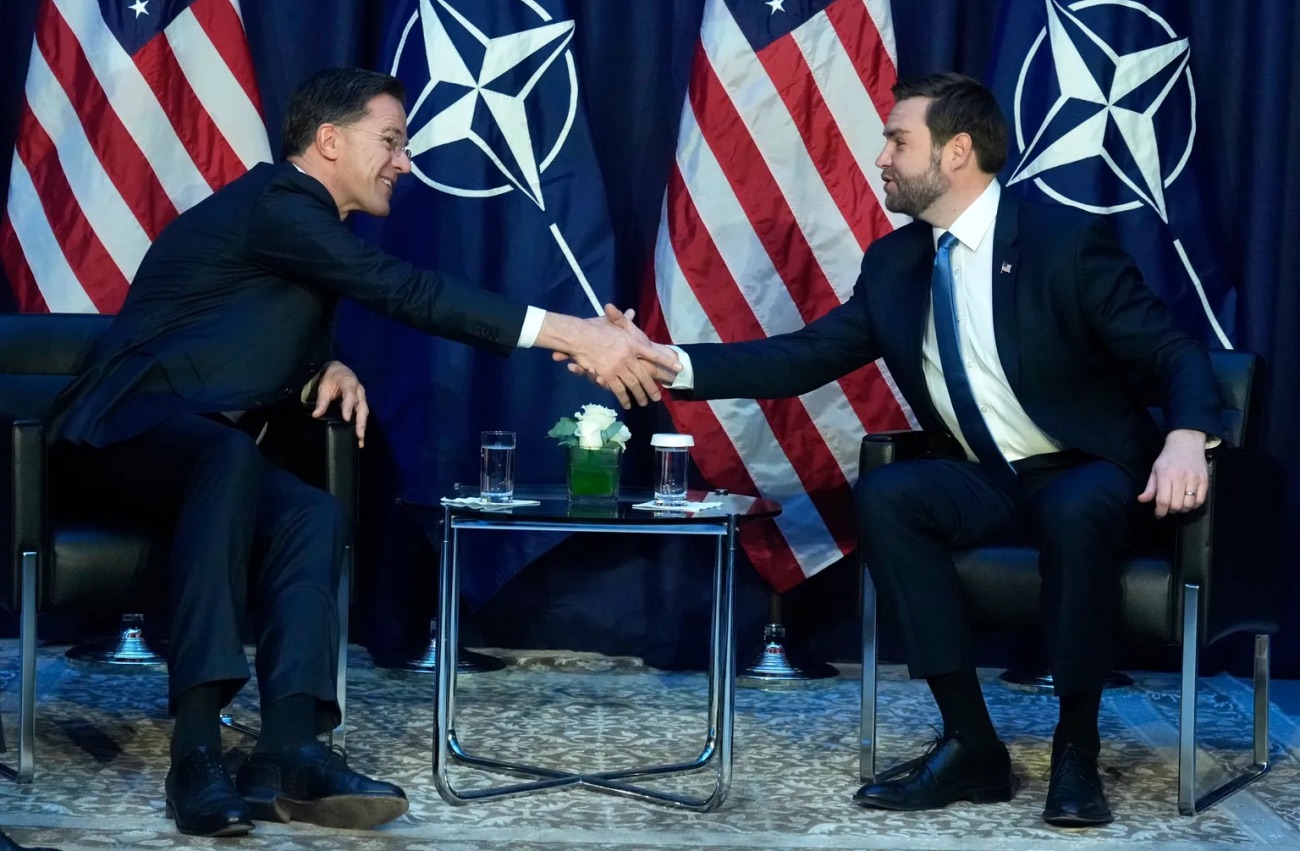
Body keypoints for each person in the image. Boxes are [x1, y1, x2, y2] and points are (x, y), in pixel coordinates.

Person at [49, 67, 681, 838]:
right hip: (116, 439)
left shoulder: (300, 226)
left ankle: (285, 748)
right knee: (229, 458)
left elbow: (236, 320)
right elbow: (405, 291)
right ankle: (197, 751)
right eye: (391, 140)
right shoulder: (281, 203)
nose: (404, 162)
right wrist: (573, 332)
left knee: (310, 514)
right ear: (328, 140)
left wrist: (321, 363)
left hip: (203, 456)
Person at [581, 73, 1221, 827]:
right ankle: (970, 741)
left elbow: (1174, 352)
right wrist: (663, 358)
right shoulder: (895, 265)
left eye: (897, 140)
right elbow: (800, 357)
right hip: (985, 475)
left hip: (1085, 466)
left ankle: (1076, 748)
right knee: (889, 492)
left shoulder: (1063, 244)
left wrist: (1185, 437)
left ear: (955, 153)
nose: (880, 156)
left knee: (1078, 509)